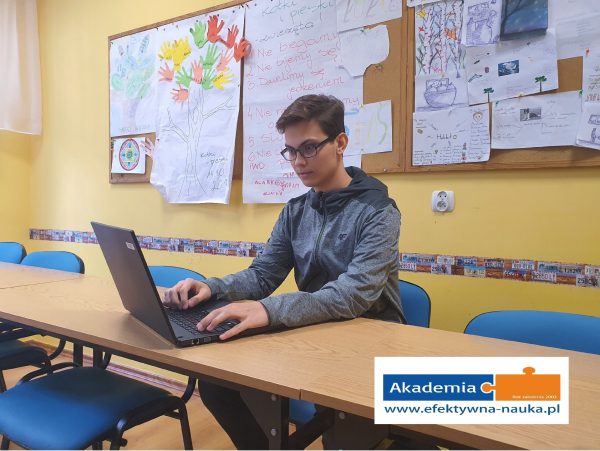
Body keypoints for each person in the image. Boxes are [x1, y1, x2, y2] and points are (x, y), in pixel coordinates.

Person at [163, 94, 404, 449]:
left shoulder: (378, 212)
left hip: (368, 340)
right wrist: (212, 288)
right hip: (314, 331)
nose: (298, 161)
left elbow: (353, 295)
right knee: (217, 385)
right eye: (290, 151)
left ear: (340, 143)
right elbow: (263, 275)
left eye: (309, 148)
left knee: (344, 430)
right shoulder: (295, 211)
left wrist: (269, 309)